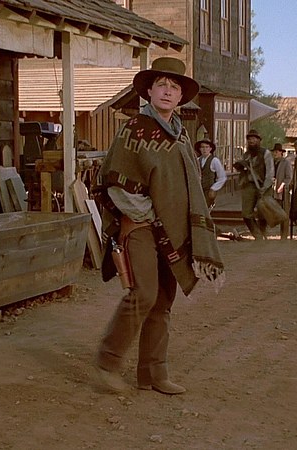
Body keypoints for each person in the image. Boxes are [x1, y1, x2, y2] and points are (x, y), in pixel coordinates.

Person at [91, 57, 224, 395]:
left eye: (174, 87)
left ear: (181, 96)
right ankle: (107, 361)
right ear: (149, 91)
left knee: (164, 300)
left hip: (170, 230)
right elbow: (115, 181)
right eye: (161, 85)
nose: (167, 91)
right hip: (139, 223)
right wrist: (150, 214)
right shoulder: (134, 129)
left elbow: (187, 187)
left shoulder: (181, 136)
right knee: (144, 293)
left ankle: (153, 373)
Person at [234, 130, 274, 240]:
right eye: (249, 139)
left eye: (254, 139)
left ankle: (263, 233)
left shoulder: (266, 153)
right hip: (249, 185)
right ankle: (258, 236)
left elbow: (270, 172)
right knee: (246, 213)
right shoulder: (246, 155)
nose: (251, 141)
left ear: (259, 140)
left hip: (263, 185)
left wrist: (265, 187)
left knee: (263, 212)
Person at [196, 138, 227, 208]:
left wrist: (213, 188)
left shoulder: (214, 160)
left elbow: (222, 177)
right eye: (202, 147)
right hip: (199, 190)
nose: (204, 149)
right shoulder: (197, 160)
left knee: (205, 208)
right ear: (200, 149)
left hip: (208, 190)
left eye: (207, 147)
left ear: (210, 149)